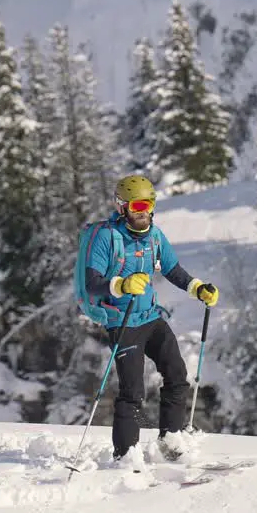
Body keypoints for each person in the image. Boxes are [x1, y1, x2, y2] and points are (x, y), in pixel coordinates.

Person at [82, 174, 220, 462]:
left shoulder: (155, 236)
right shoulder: (107, 238)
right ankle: (126, 456)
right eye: (136, 206)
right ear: (122, 207)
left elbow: (173, 270)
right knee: (132, 391)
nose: (142, 211)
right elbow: (91, 283)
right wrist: (120, 284)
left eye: (148, 204)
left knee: (177, 375)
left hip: (150, 317)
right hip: (122, 320)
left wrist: (198, 288)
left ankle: (170, 439)